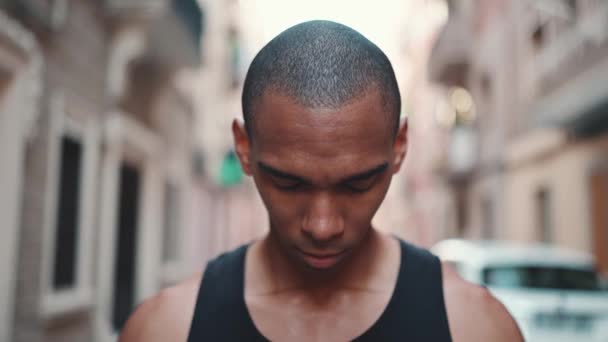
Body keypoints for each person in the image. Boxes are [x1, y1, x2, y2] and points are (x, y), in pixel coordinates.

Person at [119, 20, 523, 342]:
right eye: (289, 183)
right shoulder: (165, 329)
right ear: (244, 148)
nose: (323, 226)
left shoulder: (475, 328)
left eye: (358, 184)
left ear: (399, 147)